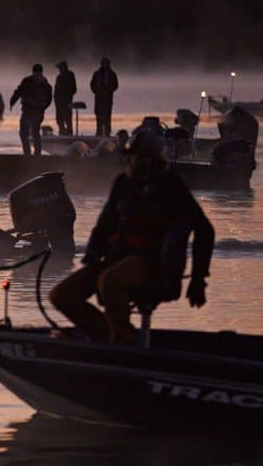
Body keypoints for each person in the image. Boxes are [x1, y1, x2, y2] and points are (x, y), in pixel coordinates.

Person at [49, 130, 214, 344]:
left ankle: (126, 340)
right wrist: (91, 256)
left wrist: (198, 279)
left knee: (109, 281)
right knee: (62, 295)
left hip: (153, 265)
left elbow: (204, 230)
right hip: (115, 260)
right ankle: (105, 337)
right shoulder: (123, 184)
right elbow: (104, 225)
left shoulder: (171, 187)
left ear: (148, 159)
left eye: (133, 156)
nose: (128, 161)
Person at [9, 63, 53, 155]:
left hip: (28, 111)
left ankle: (27, 154)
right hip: (39, 112)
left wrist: (12, 102)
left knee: (24, 133)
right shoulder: (45, 83)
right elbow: (49, 98)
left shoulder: (27, 81)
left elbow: (18, 91)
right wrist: (43, 108)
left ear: (33, 71)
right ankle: (37, 153)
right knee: (35, 133)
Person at [91, 57, 118, 137]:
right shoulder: (97, 73)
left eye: (106, 63)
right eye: (103, 63)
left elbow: (115, 85)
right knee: (98, 115)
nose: (104, 65)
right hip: (98, 98)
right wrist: (96, 92)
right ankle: (99, 132)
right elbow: (92, 84)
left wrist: (109, 91)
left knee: (107, 116)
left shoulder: (112, 74)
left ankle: (107, 132)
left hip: (107, 99)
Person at [54, 61, 77, 135]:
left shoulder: (70, 75)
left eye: (60, 67)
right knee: (59, 118)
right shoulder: (59, 77)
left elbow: (73, 88)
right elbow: (56, 90)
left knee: (67, 117)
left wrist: (68, 96)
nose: (59, 69)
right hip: (59, 101)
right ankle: (62, 131)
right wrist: (56, 99)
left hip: (67, 100)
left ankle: (69, 132)